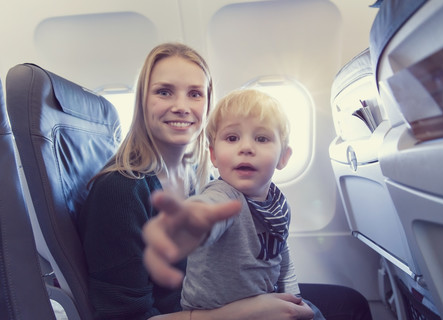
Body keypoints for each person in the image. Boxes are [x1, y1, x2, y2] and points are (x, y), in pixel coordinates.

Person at [77, 42, 316, 320]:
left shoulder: (201, 175)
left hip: (230, 298)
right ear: (142, 102)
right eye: (164, 92)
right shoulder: (121, 191)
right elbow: (125, 317)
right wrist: (243, 313)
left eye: (194, 94)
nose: (181, 106)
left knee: (349, 300)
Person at [170, 88, 323, 319]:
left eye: (261, 138)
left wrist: (293, 296)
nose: (246, 148)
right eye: (232, 138)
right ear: (213, 155)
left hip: (263, 302)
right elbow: (209, 212)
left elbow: (281, 254)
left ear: (283, 157)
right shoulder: (224, 196)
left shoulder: (278, 204)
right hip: (215, 312)